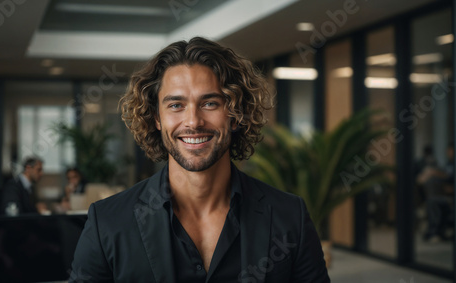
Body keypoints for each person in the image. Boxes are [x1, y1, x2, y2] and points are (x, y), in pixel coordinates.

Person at [70, 37, 330, 282]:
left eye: (210, 103)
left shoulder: (289, 216)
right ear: (156, 118)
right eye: (176, 105)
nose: (193, 121)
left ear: (235, 114)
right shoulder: (107, 222)